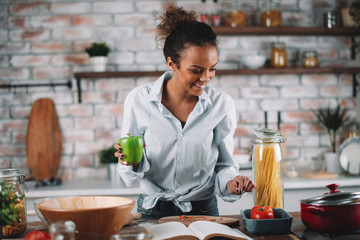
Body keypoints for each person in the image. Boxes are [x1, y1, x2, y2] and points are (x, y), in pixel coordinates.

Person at [114, 3, 255, 218]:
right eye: (196, 70)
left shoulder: (221, 105)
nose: (206, 77)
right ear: (172, 64)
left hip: (203, 210)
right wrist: (131, 162)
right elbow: (130, 176)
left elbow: (225, 164)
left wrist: (231, 182)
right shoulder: (139, 100)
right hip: (154, 210)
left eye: (212, 69)